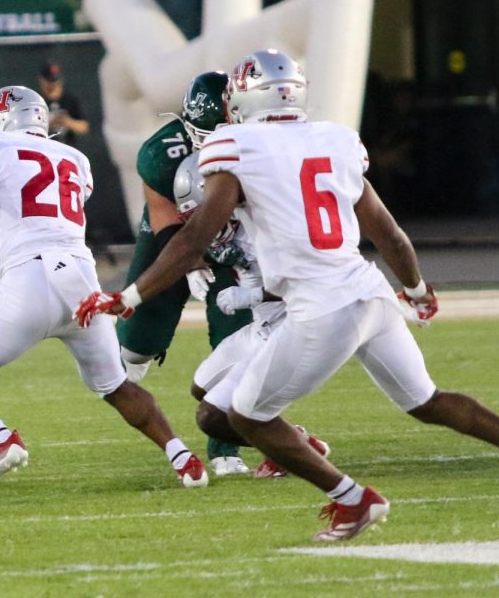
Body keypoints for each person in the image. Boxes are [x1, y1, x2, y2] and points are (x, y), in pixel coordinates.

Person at [78, 48, 499, 542]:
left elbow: (193, 239)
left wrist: (128, 296)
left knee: (244, 416)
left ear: (244, 100)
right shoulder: (334, 139)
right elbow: (389, 234)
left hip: (321, 308)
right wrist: (417, 289)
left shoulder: (234, 146)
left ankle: (354, 499)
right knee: (426, 400)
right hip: (370, 291)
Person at [0, 85, 208, 493]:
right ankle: (182, 457)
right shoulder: (74, 158)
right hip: (82, 286)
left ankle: (1, 440)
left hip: (28, 280)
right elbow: (38, 205)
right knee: (116, 385)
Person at [116, 70, 254, 477]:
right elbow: (166, 221)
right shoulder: (162, 152)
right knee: (138, 339)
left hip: (240, 237)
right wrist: (192, 262)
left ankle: (225, 445)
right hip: (178, 230)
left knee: (237, 334)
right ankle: (130, 353)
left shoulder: (263, 145)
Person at [173, 152, 331, 479]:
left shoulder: (269, 226)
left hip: (289, 324)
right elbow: (191, 241)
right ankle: (295, 441)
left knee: (215, 415)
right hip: (262, 324)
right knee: (202, 387)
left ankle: (291, 449)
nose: (202, 224)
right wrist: (195, 263)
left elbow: (309, 281)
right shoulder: (231, 225)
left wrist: (252, 295)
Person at [37, 62, 89, 148]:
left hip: (68, 149)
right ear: (41, 80)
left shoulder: (70, 100)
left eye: (55, 81)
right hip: (44, 150)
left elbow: (84, 126)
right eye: (49, 81)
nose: (52, 85)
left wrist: (68, 122)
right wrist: (48, 125)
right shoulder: (37, 101)